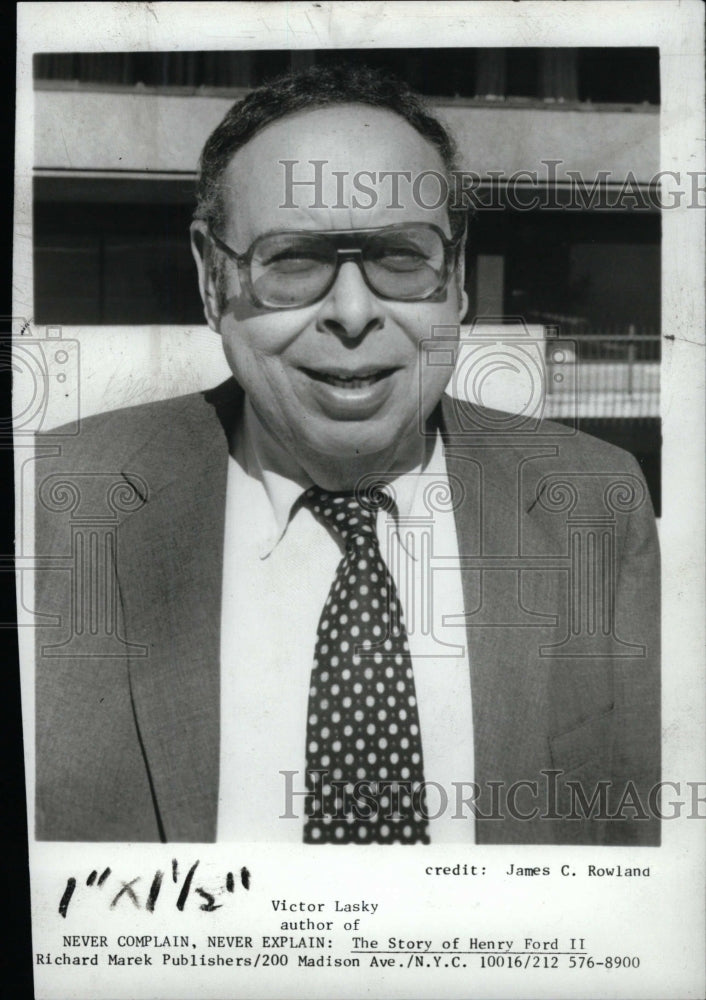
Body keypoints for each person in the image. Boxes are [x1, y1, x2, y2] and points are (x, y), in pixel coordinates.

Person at [34, 63, 660, 845]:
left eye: (402, 257)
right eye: (293, 260)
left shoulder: (595, 503)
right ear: (211, 277)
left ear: (456, 279)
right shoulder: (60, 501)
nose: (355, 313)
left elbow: (638, 865)